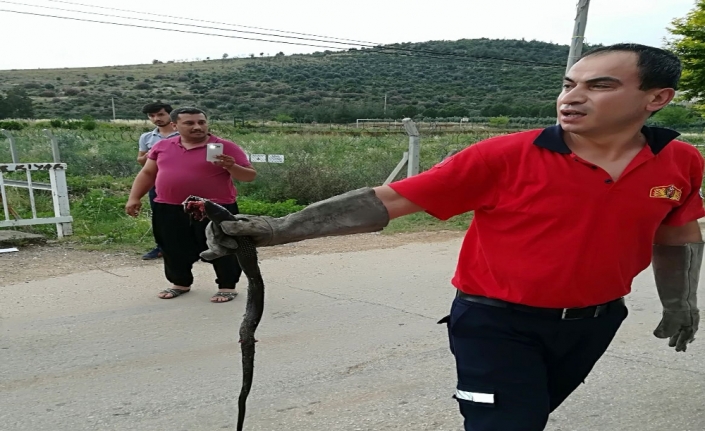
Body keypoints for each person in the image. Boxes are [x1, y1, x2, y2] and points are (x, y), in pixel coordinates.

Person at [200, 43, 705, 430]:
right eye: (569, 83)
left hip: (596, 321)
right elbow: (392, 199)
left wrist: (680, 302)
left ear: (656, 98)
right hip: (495, 324)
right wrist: (281, 228)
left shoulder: (681, 161)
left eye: (599, 86)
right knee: (503, 424)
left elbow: (677, 231)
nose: (571, 98)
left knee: (530, 416)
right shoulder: (504, 155)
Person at [125, 107, 256, 303]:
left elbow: (249, 176)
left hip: (214, 208)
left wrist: (230, 166)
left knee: (223, 246)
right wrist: (134, 197)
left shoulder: (224, 146)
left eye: (201, 122)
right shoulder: (162, 146)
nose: (197, 127)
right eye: (190, 123)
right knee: (172, 246)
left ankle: (227, 286)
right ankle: (180, 283)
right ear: (175, 125)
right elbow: (147, 174)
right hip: (169, 207)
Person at [137, 101, 179, 260]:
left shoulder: (183, 134)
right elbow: (141, 159)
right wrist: (151, 155)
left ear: (170, 114)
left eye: (160, 114)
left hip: (183, 181)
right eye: (152, 116)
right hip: (157, 182)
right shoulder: (147, 137)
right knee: (160, 216)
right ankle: (162, 247)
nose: (156, 119)